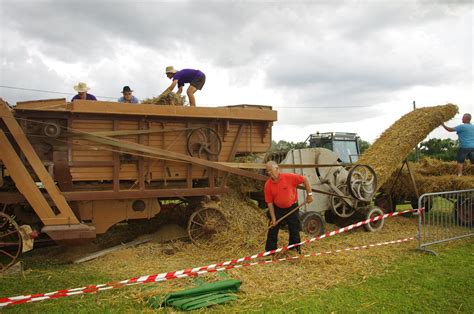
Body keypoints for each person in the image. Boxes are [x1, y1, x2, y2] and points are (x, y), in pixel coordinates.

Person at [264, 160, 314, 253]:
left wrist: (309, 194)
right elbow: (269, 202)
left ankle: (294, 248)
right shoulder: (268, 185)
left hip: (292, 207)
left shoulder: (289, 177)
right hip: (277, 208)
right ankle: (270, 250)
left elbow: (305, 179)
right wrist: (273, 218)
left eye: (271, 170)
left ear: (277, 169)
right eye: (268, 171)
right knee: (272, 227)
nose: (269, 173)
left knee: (294, 227)